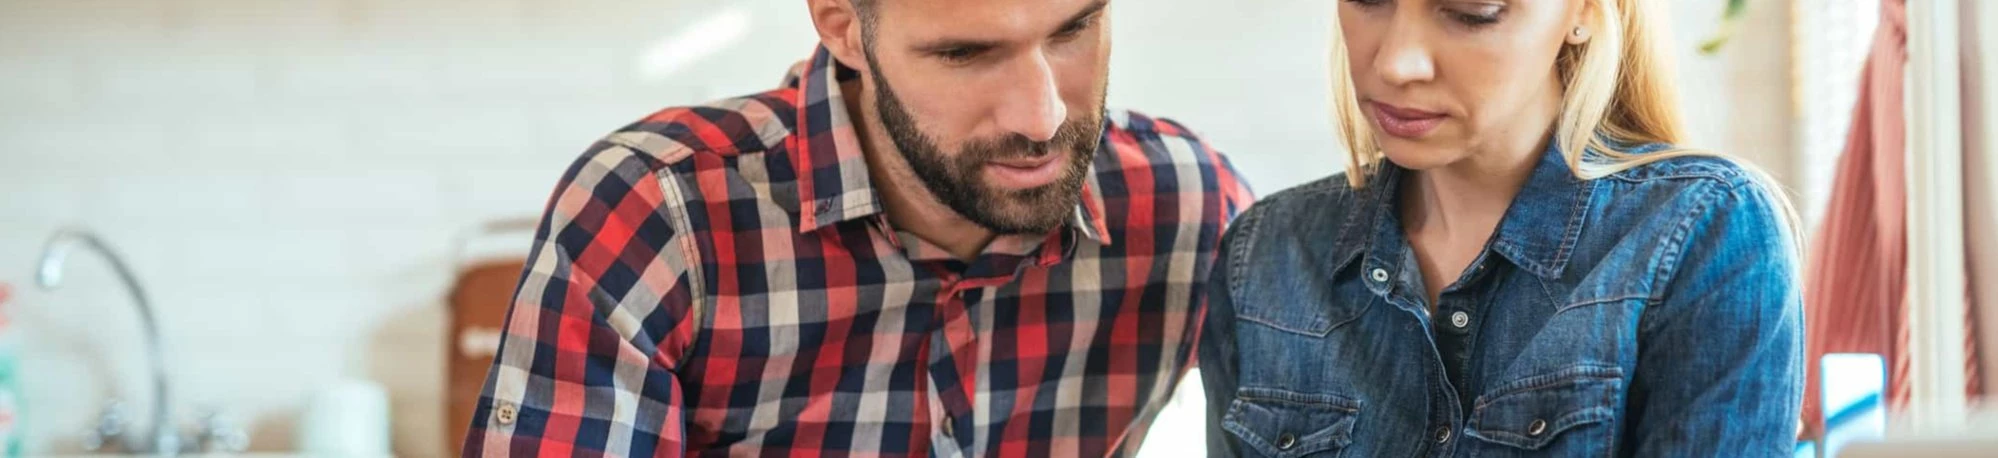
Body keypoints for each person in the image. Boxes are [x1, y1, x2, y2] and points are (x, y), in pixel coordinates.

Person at [463, 0, 1253, 456]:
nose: (1041, 117)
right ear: (843, 25)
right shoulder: (660, 212)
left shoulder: (1188, 209)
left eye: (1073, 28)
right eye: (965, 54)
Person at [1199, 0, 1803, 456]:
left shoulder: (1705, 231)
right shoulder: (1266, 252)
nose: (1396, 63)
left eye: (1471, 12)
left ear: (1584, 12)